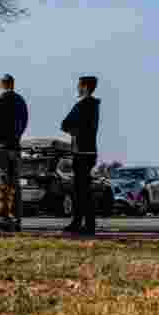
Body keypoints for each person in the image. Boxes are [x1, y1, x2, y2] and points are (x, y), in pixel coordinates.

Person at [0, 74, 29, 232]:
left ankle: (3, 217)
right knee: (14, 184)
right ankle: (16, 218)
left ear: (1, 85)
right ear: (13, 84)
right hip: (14, 147)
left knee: (1, 183)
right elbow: (24, 122)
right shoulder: (20, 101)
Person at [60, 75, 100, 236]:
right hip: (90, 151)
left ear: (84, 87)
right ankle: (85, 223)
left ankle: (82, 223)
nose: (77, 88)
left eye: (79, 85)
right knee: (84, 190)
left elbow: (65, 124)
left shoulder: (82, 105)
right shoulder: (94, 106)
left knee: (81, 191)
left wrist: (74, 132)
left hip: (81, 151)